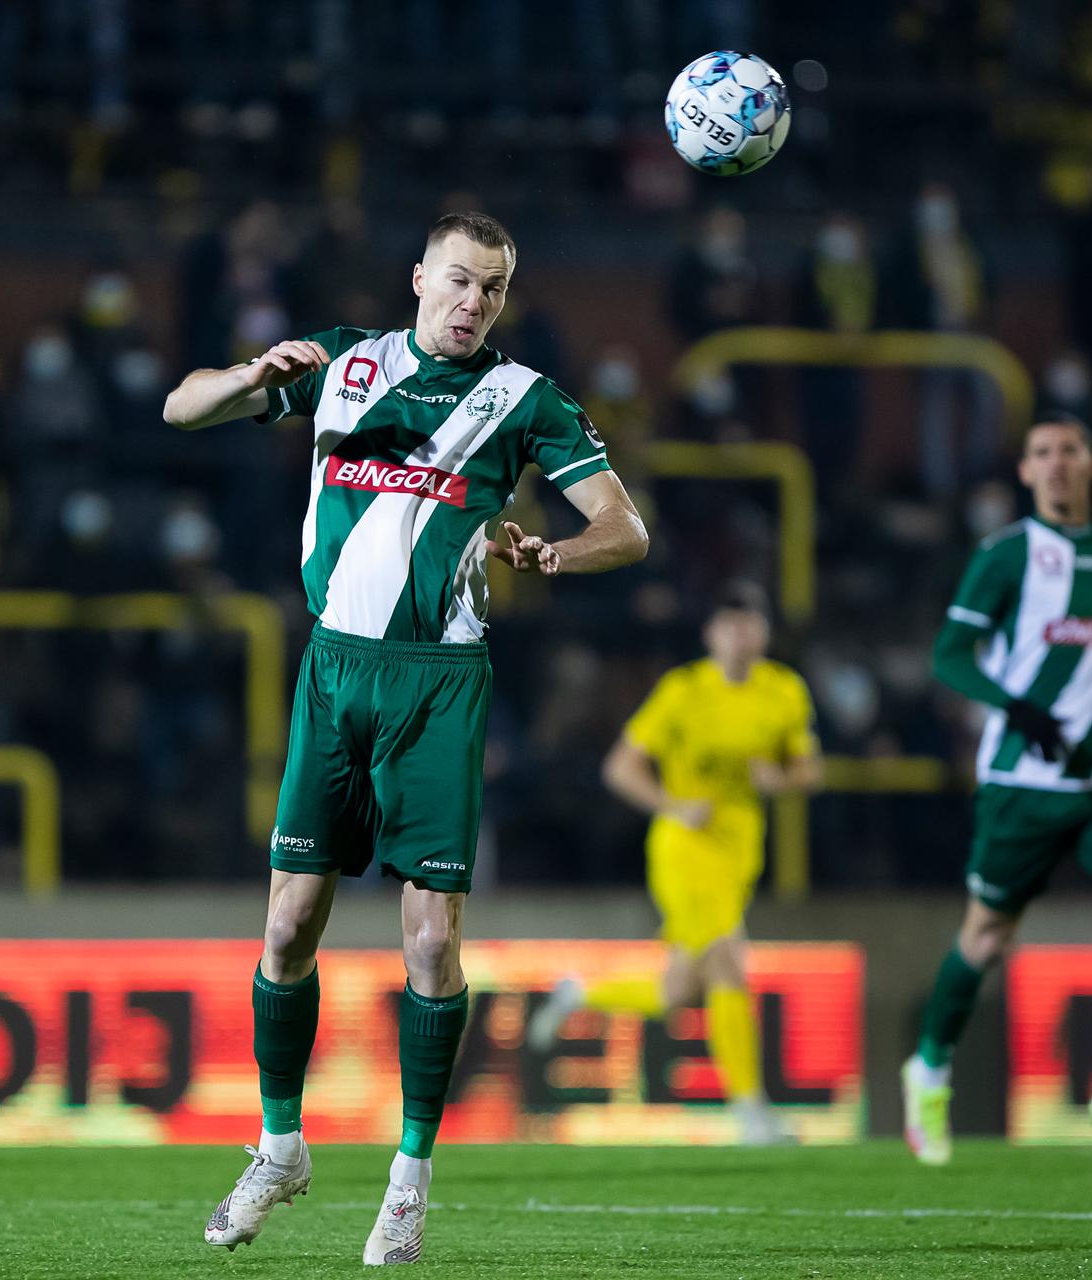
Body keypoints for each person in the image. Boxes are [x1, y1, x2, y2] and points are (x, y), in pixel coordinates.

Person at [163, 212, 649, 1266]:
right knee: (289, 924)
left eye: (496, 289)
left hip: (440, 681)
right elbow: (180, 405)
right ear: (419, 275)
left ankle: (410, 1180)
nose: (476, 303)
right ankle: (280, 1145)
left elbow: (626, 525)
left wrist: (558, 556)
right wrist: (254, 372)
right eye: (463, 281)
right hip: (333, 669)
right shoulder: (343, 363)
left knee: (430, 940)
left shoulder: (526, 400)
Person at [901, 414, 1092, 1166]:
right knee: (986, 939)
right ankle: (928, 1066)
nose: (1056, 465)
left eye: (1068, 451)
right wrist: (1015, 705)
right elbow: (949, 656)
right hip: (1022, 783)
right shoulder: (1007, 556)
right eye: (1040, 454)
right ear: (1024, 473)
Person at [525, 580, 822, 1145]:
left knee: (678, 991)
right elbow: (619, 768)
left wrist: (780, 778)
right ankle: (751, 1113)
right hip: (683, 850)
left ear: (763, 632)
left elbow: (810, 770)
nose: (740, 636)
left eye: (750, 623)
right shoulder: (683, 691)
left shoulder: (784, 690)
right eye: (730, 624)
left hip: (740, 852)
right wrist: (672, 805)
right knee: (731, 963)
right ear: (711, 634)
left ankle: (579, 993)